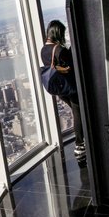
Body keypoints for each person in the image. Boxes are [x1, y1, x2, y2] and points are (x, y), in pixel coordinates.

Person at [40, 20, 85, 160]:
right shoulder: (59, 50)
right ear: (58, 33)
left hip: (58, 88)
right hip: (70, 86)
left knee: (76, 111)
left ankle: (82, 138)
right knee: (77, 112)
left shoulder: (43, 50)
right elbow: (73, 65)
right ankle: (80, 143)